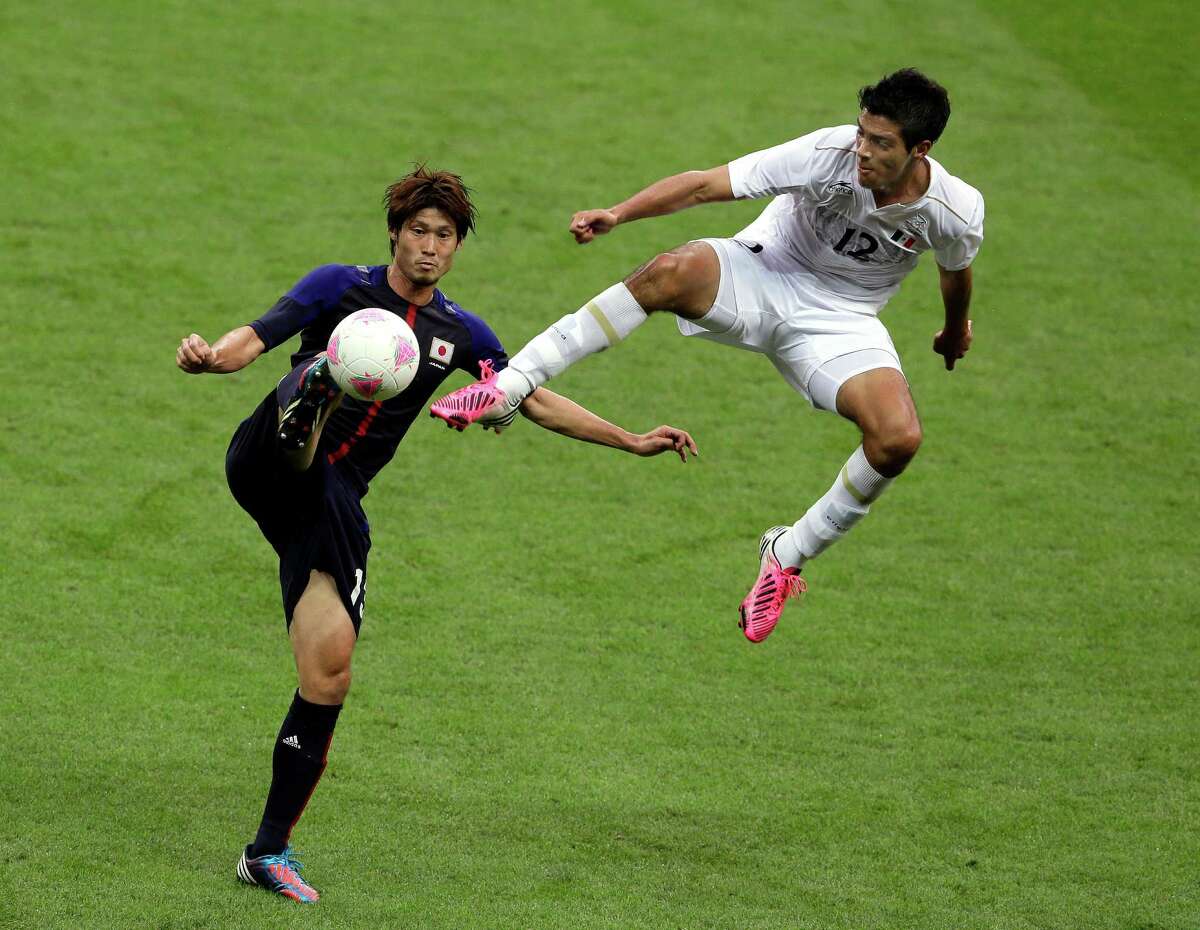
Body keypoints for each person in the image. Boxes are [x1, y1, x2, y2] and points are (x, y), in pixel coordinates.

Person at [175, 166, 697, 904]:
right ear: (394, 233)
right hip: (266, 458)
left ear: (456, 248)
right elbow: (254, 339)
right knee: (310, 395)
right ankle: (319, 394)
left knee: (329, 674)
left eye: (443, 236)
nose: (428, 247)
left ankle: (267, 852)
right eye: (417, 231)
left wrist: (631, 439)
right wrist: (211, 359)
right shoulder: (337, 287)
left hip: (329, 506)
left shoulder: (460, 332)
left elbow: (532, 397)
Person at [430, 69, 984, 643]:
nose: (862, 151)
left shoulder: (955, 209)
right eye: (862, 133)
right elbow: (704, 186)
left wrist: (951, 331)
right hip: (765, 269)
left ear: (921, 149)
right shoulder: (827, 153)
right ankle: (510, 385)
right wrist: (619, 213)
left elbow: (955, 273)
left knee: (898, 438)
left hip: (840, 320)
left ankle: (787, 553)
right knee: (669, 272)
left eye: (880, 144)